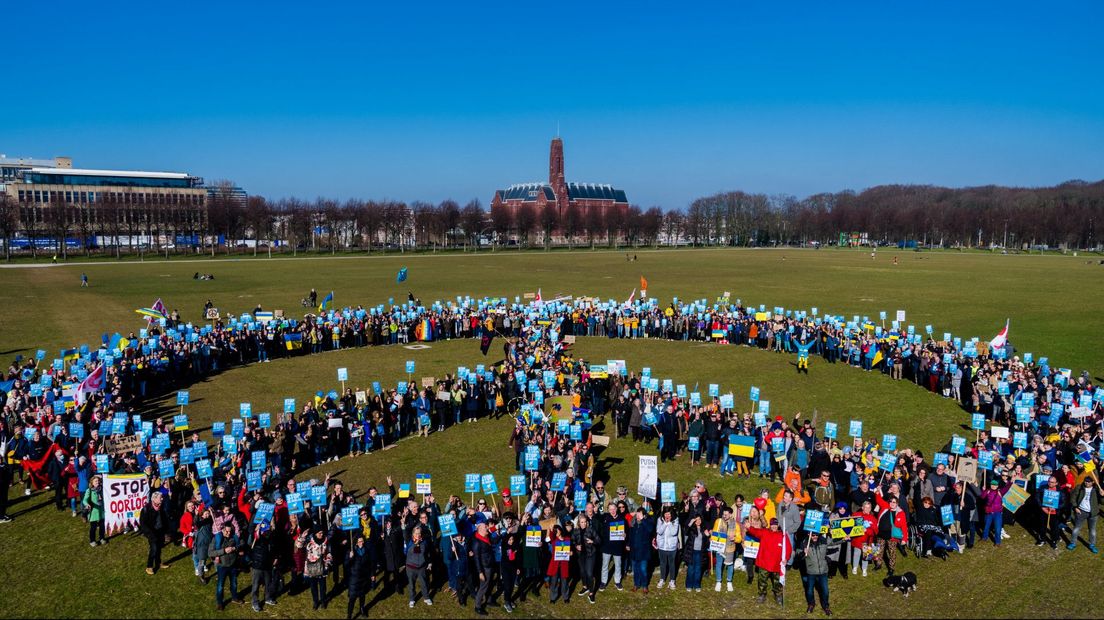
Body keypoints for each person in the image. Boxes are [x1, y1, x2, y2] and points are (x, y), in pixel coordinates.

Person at [746, 517, 791, 606]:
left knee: (778, 581)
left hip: (777, 564)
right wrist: (749, 527)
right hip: (764, 563)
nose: (774, 526)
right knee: (762, 580)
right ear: (770, 525)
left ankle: (778, 595)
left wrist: (786, 558)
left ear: (778, 525)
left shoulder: (783, 536)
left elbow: (788, 548)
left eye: (775, 525)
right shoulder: (765, 532)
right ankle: (762, 594)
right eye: (772, 525)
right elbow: (755, 532)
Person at [209, 522, 244, 610]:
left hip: (233, 564)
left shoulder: (234, 536)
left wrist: (235, 548)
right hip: (222, 566)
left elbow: (242, 543)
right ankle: (220, 603)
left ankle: (235, 598)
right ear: (222, 529)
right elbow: (210, 553)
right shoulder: (217, 538)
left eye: (230, 531)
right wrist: (223, 551)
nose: (228, 533)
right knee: (220, 585)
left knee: (234, 583)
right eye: (226, 531)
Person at [139, 492, 171, 575]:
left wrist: (166, 531)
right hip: (151, 532)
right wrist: (149, 534)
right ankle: (149, 566)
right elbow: (143, 523)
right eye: (160, 498)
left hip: (160, 530)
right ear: (154, 499)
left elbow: (164, 518)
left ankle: (158, 563)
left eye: (162, 497)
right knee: (154, 548)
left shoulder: (161, 506)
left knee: (159, 548)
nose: (162, 499)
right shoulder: (146, 509)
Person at [800, 530, 831, 616]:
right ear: (809, 534)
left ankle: (826, 606)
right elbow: (798, 557)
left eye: (816, 535)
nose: (815, 537)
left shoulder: (823, 541)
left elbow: (834, 541)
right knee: (809, 591)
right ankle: (811, 604)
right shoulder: (804, 543)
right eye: (813, 535)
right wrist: (803, 552)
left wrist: (844, 539)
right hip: (811, 572)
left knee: (825, 591)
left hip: (823, 571)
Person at [250, 523, 278, 611]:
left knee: (268, 583)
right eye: (266, 530)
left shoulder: (271, 538)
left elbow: (274, 548)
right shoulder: (257, 538)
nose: (267, 531)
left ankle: (268, 598)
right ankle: (255, 602)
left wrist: (276, 557)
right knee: (256, 585)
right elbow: (252, 532)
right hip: (257, 565)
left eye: (268, 529)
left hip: (267, 565)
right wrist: (256, 530)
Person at [1069, 476, 1100, 553]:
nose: (1087, 483)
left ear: (1093, 482)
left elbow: (1102, 502)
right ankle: (1073, 543)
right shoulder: (1079, 487)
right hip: (1081, 511)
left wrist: (1102, 495)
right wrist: (1075, 507)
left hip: (1093, 513)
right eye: (1086, 481)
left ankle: (1092, 545)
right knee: (1076, 528)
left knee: (1092, 530)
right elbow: (1073, 497)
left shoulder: (1096, 489)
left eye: (1089, 481)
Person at [405, 525, 432, 608]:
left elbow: (427, 553)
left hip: (421, 567)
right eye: (416, 533)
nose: (418, 535)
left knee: (424, 583)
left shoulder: (424, 542)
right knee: (411, 584)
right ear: (413, 534)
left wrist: (429, 562)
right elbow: (406, 552)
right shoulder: (409, 542)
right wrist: (415, 544)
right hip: (411, 567)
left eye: (419, 533)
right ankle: (412, 599)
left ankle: (426, 597)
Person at [346, 534, 372, 619]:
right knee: (352, 599)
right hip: (354, 578)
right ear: (356, 542)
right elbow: (346, 565)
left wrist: (371, 574)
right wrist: (350, 558)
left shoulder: (367, 550)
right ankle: (349, 615)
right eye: (359, 541)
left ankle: (362, 610)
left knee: (362, 596)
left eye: (362, 541)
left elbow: (369, 563)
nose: (361, 543)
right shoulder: (351, 551)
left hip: (364, 577)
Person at [655, 508, 681, 590]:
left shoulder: (676, 520)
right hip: (662, 546)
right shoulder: (660, 520)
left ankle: (672, 580)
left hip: (671, 547)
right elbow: (659, 531)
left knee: (672, 564)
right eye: (666, 514)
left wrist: (669, 523)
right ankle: (662, 579)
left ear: (672, 514)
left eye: (669, 514)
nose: (667, 516)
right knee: (662, 563)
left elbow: (674, 532)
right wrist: (665, 524)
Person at [305, 528, 330, 610]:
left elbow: (329, 552)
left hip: (322, 567)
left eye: (322, 533)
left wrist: (328, 560)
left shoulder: (326, 541)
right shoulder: (310, 541)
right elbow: (299, 545)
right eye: (319, 533)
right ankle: (315, 602)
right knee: (313, 586)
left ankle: (323, 601)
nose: (321, 534)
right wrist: (302, 536)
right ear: (315, 533)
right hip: (312, 567)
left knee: (323, 587)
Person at [82, 475, 106, 546]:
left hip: (101, 511)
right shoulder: (89, 490)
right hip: (93, 512)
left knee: (102, 526)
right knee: (93, 527)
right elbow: (84, 500)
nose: (97, 482)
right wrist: (87, 504)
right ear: (92, 482)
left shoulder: (102, 489)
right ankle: (92, 540)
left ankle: (102, 538)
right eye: (95, 481)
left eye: (98, 481)